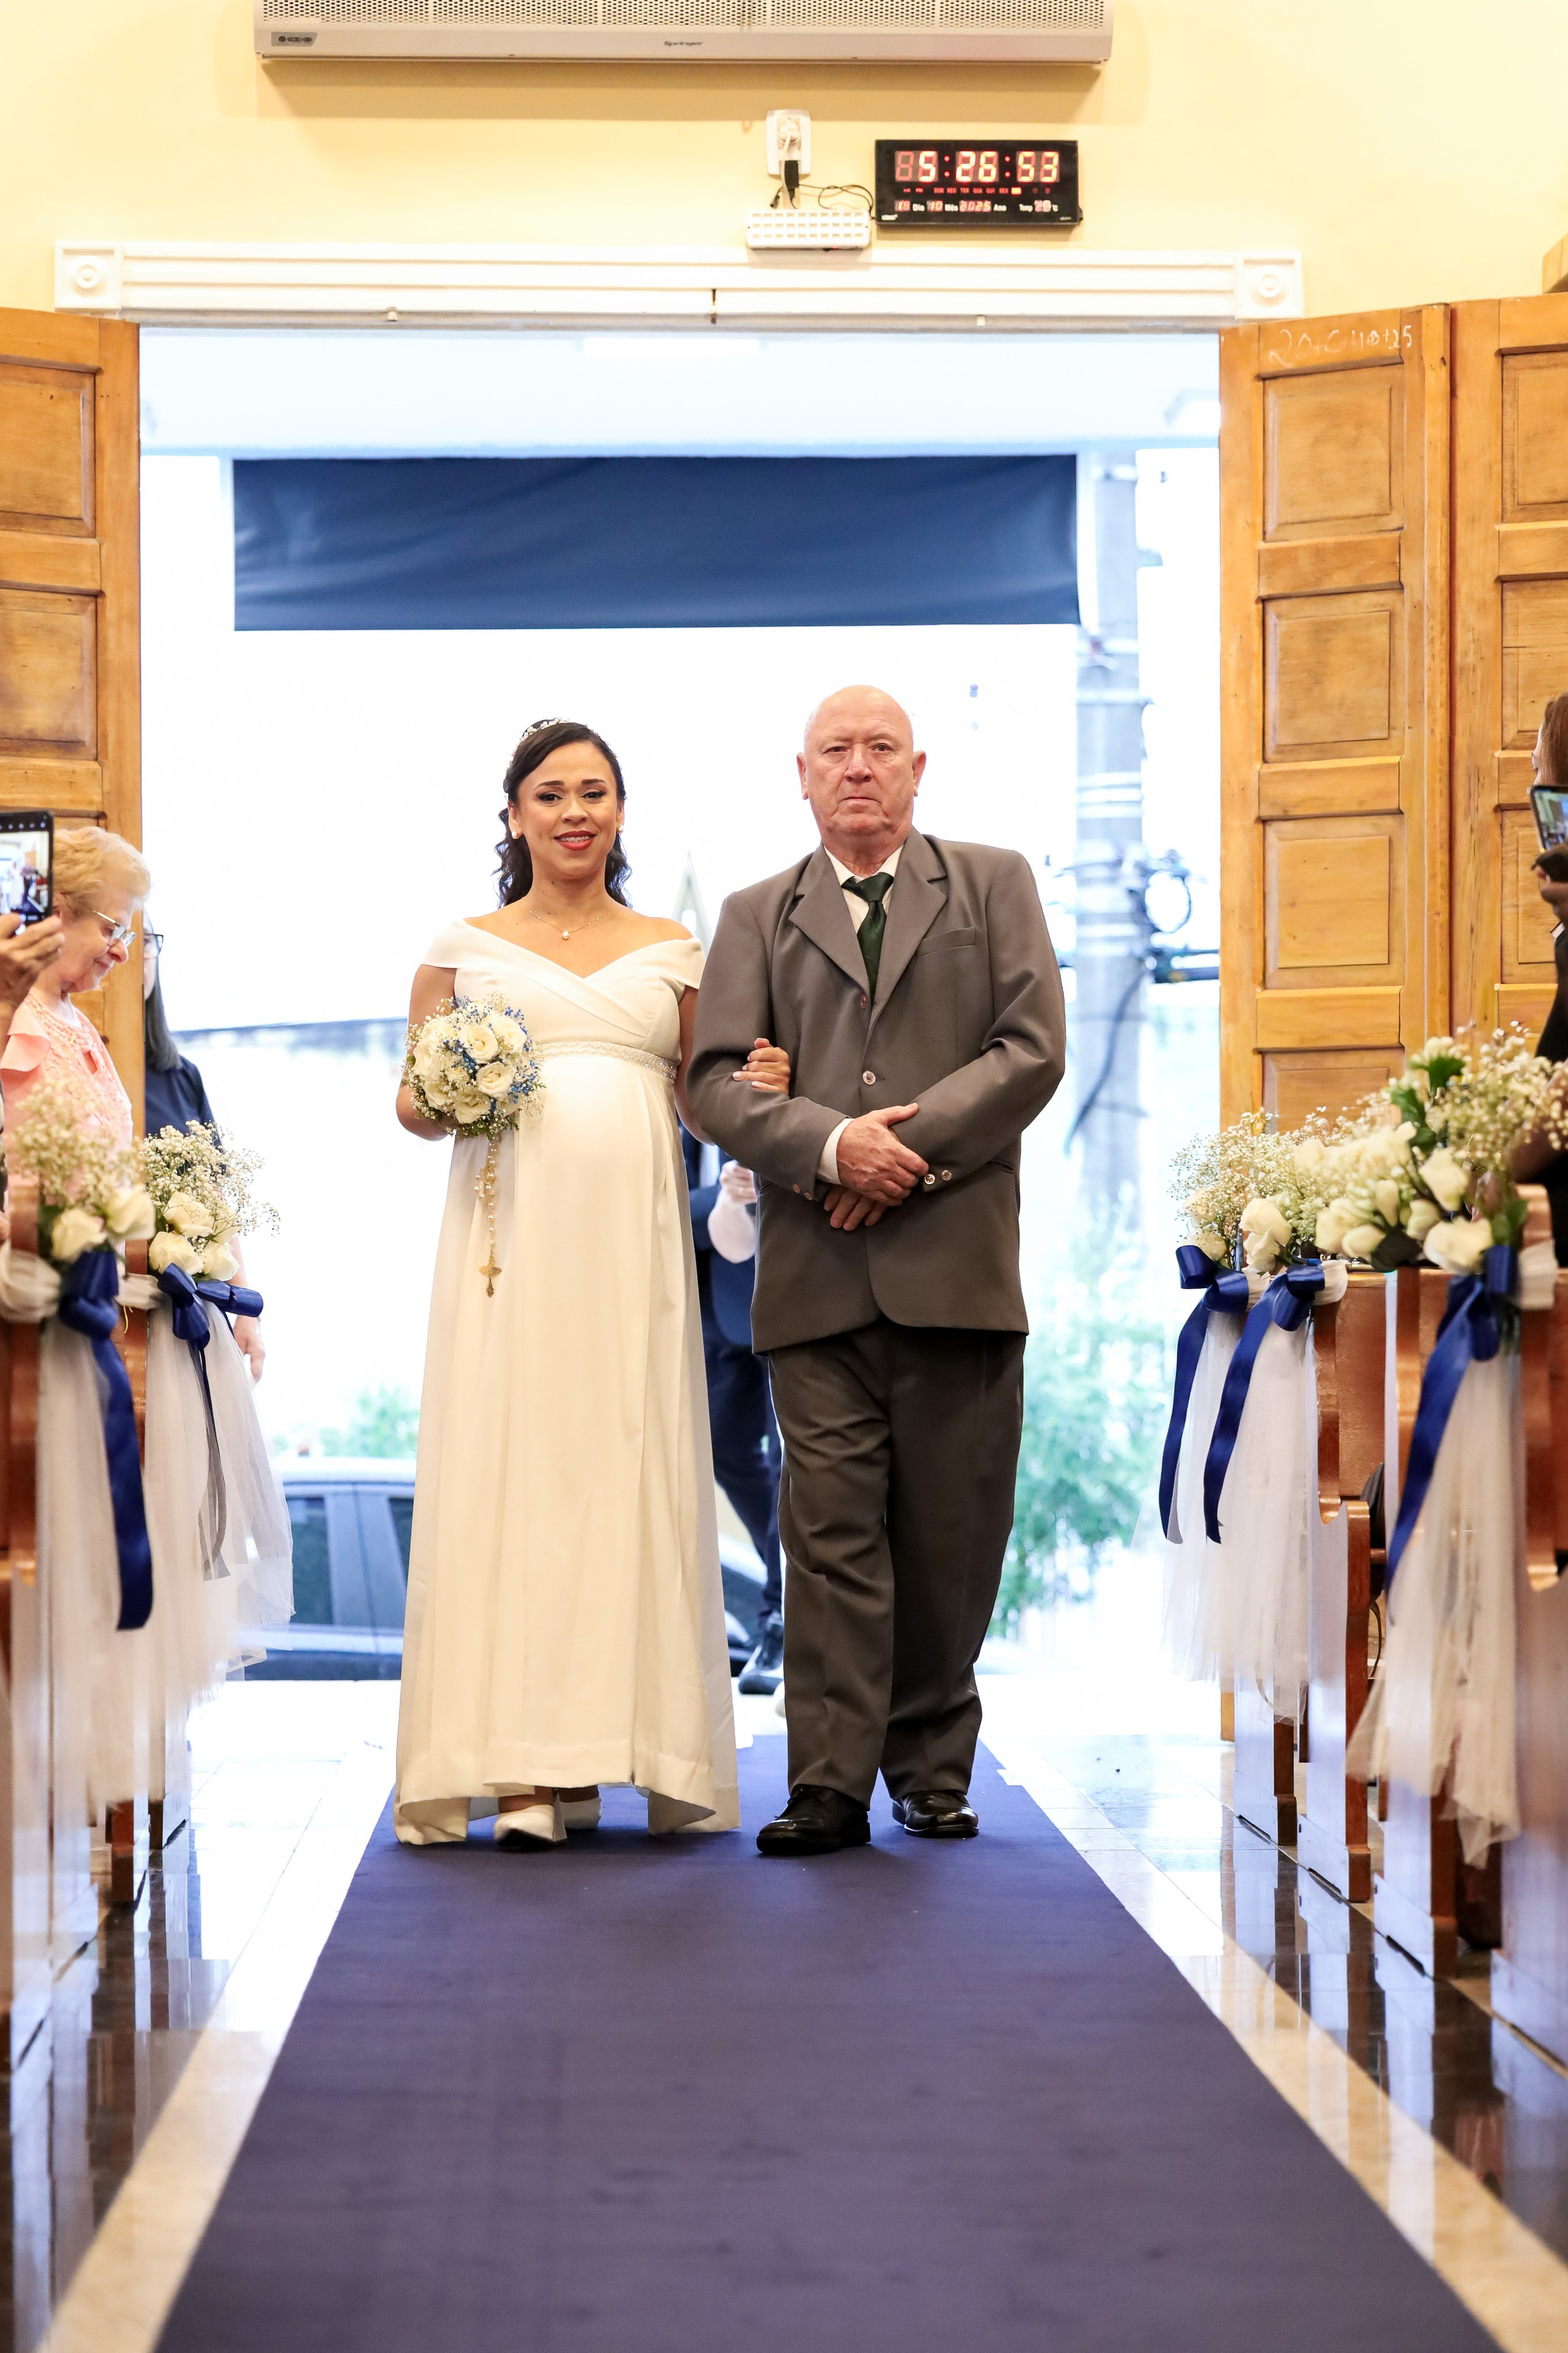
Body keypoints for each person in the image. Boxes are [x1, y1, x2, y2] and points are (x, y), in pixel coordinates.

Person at [392, 718, 787, 1849]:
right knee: (513, 1476)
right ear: (514, 813)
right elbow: (413, 1112)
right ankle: (517, 1765)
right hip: (506, 1256)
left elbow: (706, 1104)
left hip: (629, 1252)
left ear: (620, 814)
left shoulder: (673, 948)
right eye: (552, 792)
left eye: (597, 792)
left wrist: (759, 1079)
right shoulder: (461, 947)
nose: (576, 811)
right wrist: (457, 1082)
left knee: (622, 1471)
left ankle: (621, 1749)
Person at [688, 685, 1066, 1856]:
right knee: (830, 1532)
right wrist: (828, 1147)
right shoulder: (755, 914)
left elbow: (1032, 1049)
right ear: (800, 775)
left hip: (954, 1266)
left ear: (918, 770)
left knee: (951, 1531)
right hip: (815, 1273)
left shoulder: (994, 883)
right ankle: (829, 1783)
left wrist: (902, 1156)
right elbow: (710, 1084)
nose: (859, 768)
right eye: (836, 752)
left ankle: (933, 1767)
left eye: (881, 750)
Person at [680, 1130, 784, 1693]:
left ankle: (782, 1619)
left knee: (793, 1455)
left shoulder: (738, 1064)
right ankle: (783, 1594)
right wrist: (704, 1205)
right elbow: (648, 1205)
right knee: (723, 1449)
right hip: (703, 1307)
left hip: (775, 1289)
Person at [143, 924, 265, 1381]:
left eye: (148, 940)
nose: (137, 955)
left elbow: (214, 1195)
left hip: (189, 1305)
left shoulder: (181, 1075)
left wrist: (246, 1309)